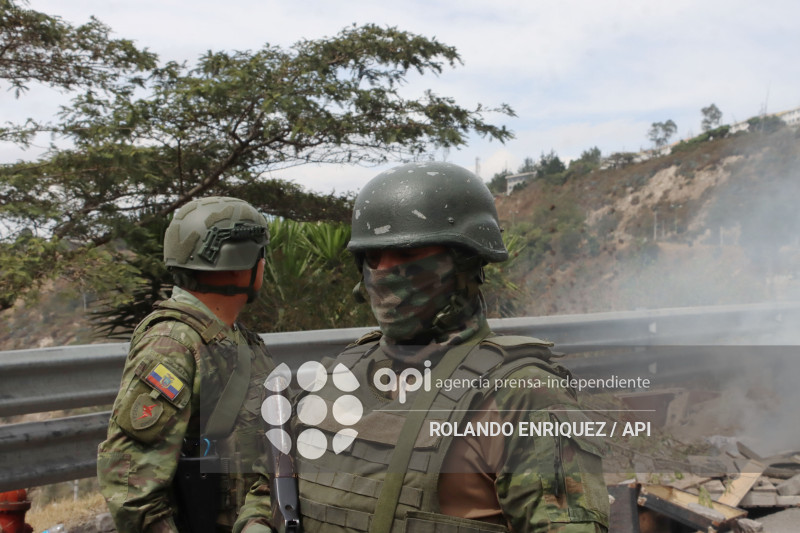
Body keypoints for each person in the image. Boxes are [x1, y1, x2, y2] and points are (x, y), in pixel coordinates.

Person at [236, 162, 609, 533]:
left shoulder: (522, 396)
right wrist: (256, 521)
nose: (385, 272)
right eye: (373, 258)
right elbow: (271, 488)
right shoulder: (336, 375)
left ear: (464, 261)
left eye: (409, 255)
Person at [98, 196, 275, 533]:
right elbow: (132, 483)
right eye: (261, 255)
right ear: (240, 264)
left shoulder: (242, 343)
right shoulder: (172, 345)